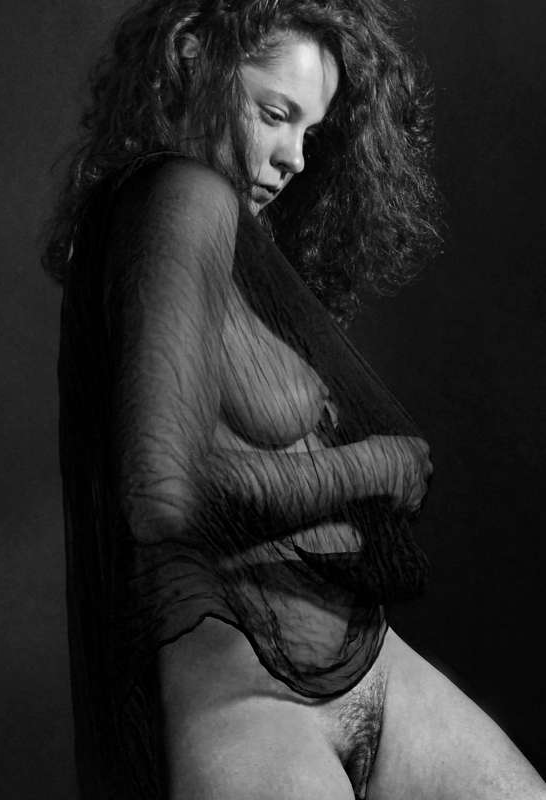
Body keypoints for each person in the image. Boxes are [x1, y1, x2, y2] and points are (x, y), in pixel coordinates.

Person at [44, 1, 546, 798]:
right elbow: (163, 497)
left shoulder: (210, 236)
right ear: (191, 54)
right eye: (276, 114)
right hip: (251, 705)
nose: (294, 159)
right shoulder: (181, 194)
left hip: (373, 668)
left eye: (310, 132)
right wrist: (369, 467)